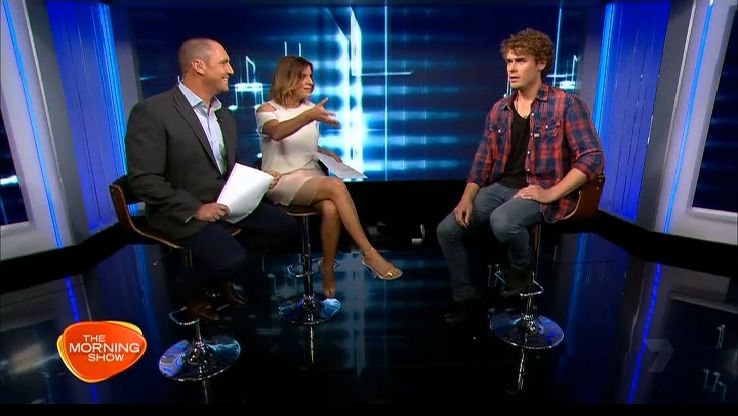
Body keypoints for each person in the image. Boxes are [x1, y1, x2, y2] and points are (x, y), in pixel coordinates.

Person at [436, 28, 604, 324]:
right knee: (447, 230)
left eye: (520, 61)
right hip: (502, 186)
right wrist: (466, 198)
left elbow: (593, 157)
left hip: (544, 189)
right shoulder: (499, 109)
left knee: (503, 221)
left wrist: (550, 193)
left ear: (541, 63)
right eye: (509, 61)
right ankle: (466, 296)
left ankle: (521, 272)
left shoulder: (566, 104)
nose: (512, 68)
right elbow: (482, 161)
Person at [125, 38, 298, 320]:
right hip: (180, 209)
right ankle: (188, 284)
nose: (231, 70)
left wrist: (259, 178)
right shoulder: (153, 112)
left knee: (283, 226)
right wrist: (195, 208)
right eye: (224, 63)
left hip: (224, 201)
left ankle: (216, 274)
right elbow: (143, 180)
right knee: (232, 258)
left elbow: (229, 167)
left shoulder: (223, 115)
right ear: (198, 66)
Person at [255, 56, 402, 298]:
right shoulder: (267, 110)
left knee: (331, 209)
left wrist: (323, 152)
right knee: (334, 185)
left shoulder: (309, 109)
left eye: (311, 76)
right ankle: (369, 253)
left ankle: (327, 271)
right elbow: (278, 133)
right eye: (303, 76)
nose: (310, 82)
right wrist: (310, 116)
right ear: (287, 78)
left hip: (310, 174)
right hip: (281, 179)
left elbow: (302, 144)